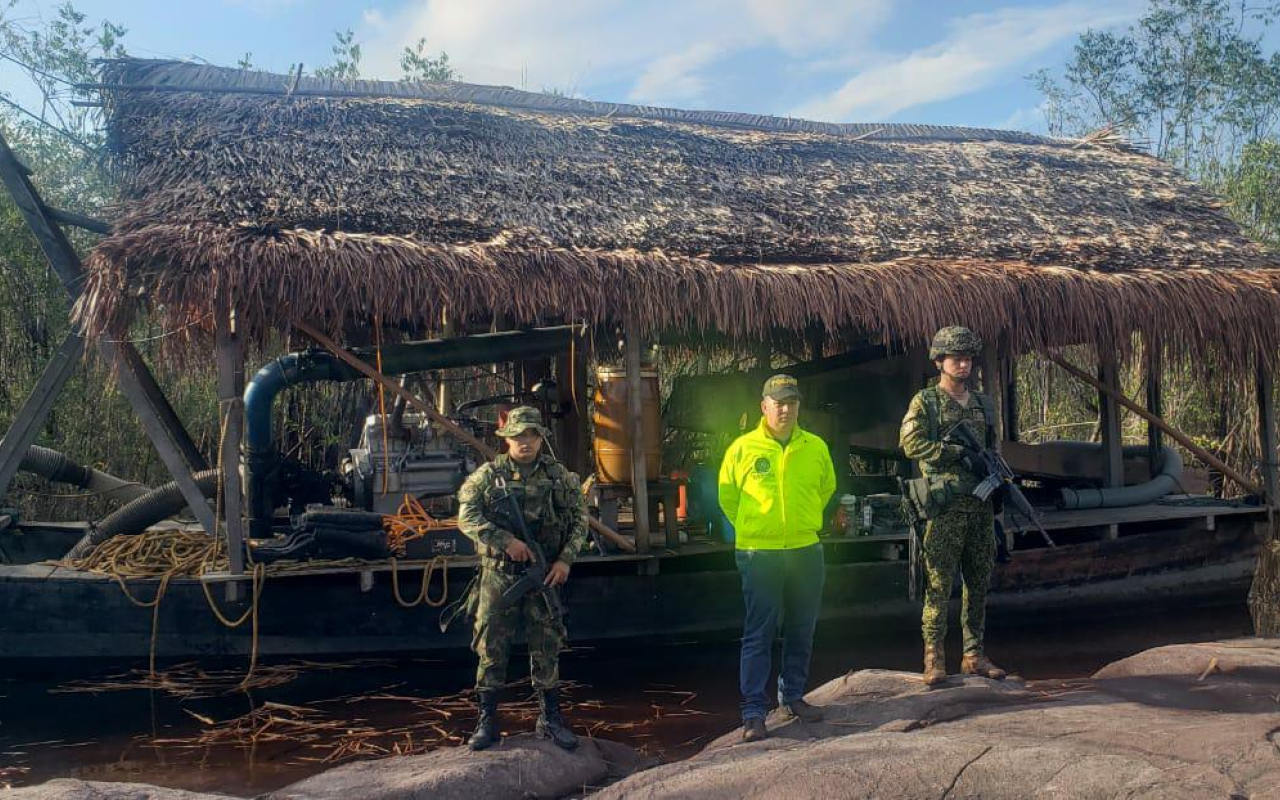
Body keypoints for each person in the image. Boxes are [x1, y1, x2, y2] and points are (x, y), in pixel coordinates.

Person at [457, 406, 588, 751]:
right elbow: (466, 517)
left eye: (530, 435)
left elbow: (579, 521)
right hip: (499, 577)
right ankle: (487, 721)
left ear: (540, 437)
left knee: (547, 646)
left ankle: (550, 718)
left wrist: (565, 561)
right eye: (517, 436)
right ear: (506, 440)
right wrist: (506, 542)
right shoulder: (489, 476)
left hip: (544, 575)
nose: (524, 442)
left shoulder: (560, 477)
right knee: (491, 648)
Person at [718, 374, 837, 742]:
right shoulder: (742, 448)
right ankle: (754, 712)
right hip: (760, 553)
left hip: (805, 549)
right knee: (759, 632)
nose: (785, 409)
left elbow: (826, 488)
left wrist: (802, 525)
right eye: (778, 402)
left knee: (802, 627)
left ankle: (793, 696)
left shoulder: (815, 447)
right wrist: (757, 529)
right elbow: (727, 497)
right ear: (764, 406)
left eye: (792, 402)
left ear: (799, 406)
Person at [899, 326, 1007, 687]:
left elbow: (994, 449)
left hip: (980, 506)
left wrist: (997, 482)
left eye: (967, 359)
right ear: (939, 362)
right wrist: (952, 453)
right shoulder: (926, 401)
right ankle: (934, 657)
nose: (963, 365)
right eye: (955, 359)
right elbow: (911, 443)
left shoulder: (983, 403)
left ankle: (974, 654)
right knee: (939, 583)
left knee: (978, 581)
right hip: (944, 506)